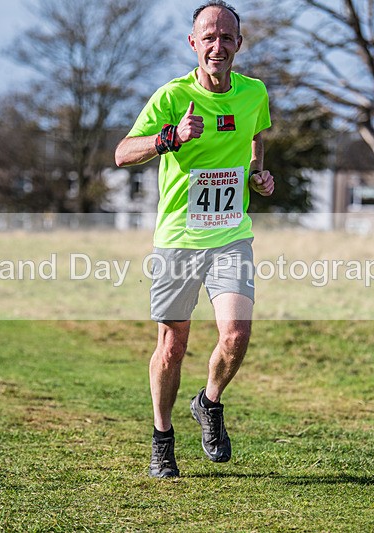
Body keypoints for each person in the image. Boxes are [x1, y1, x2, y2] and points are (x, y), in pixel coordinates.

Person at [114, 0, 274, 478]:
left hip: (230, 236)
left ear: (239, 44)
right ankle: (162, 438)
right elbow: (123, 153)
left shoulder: (254, 93)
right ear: (193, 43)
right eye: (208, 37)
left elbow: (256, 140)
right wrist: (169, 138)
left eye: (227, 37)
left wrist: (258, 176)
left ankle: (208, 401)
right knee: (172, 345)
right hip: (179, 240)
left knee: (236, 335)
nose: (217, 45)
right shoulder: (170, 97)